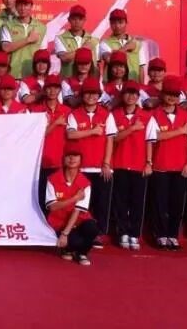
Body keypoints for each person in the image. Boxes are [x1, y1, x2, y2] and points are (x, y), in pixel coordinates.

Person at [66, 77, 117, 247]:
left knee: (102, 203)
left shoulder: (107, 115)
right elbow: (71, 134)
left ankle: (99, 233)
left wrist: (106, 163)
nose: (91, 97)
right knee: (82, 203)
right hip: (81, 168)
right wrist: (92, 131)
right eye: (87, 93)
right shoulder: (74, 114)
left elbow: (110, 139)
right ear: (82, 95)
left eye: (94, 94)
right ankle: (82, 231)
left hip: (101, 167)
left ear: (99, 96)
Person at [148, 76, 187, 250]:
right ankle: (160, 234)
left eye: (175, 95)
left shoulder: (186, 115)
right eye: (169, 94)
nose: (172, 98)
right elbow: (155, 137)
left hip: (180, 166)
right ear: (162, 95)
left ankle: (173, 235)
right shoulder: (155, 115)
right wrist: (179, 131)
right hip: (161, 165)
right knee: (160, 202)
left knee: (177, 203)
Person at [110, 81, 154, 251]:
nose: (131, 97)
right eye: (128, 93)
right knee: (120, 201)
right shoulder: (114, 115)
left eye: (134, 94)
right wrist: (132, 128)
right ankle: (122, 232)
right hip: (119, 163)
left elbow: (150, 141)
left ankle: (134, 233)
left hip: (139, 165)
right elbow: (113, 138)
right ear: (122, 96)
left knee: (137, 202)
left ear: (138, 97)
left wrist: (148, 162)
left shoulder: (147, 116)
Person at [45, 149, 99, 266]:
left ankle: (82, 253)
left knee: (92, 229)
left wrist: (65, 234)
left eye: (75, 156)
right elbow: (52, 207)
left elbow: (77, 210)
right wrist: (74, 198)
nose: (72, 159)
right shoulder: (53, 179)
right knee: (74, 241)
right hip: (59, 222)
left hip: (79, 220)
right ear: (63, 159)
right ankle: (67, 249)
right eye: (69, 156)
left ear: (80, 160)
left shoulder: (85, 183)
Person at [30, 75, 70, 209]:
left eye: (56, 88)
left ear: (60, 90)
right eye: (49, 88)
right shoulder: (36, 111)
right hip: (40, 161)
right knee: (40, 197)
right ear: (44, 90)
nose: (52, 91)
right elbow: (36, 136)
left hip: (59, 161)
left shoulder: (66, 111)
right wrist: (55, 123)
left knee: (57, 198)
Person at [0, 0, 46, 79]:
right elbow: (6, 48)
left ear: (31, 6)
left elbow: (43, 54)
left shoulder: (41, 27)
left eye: (26, 5)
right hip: (13, 74)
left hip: (33, 76)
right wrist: (28, 40)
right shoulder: (8, 25)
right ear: (16, 7)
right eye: (20, 5)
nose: (23, 8)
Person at [99, 9, 147, 82]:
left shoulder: (137, 43)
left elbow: (141, 68)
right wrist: (126, 47)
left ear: (126, 23)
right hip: (112, 86)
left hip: (133, 86)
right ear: (110, 24)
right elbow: (108, 59)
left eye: (120, 22)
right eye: (113, 23)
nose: (117, 26)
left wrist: (141, 87)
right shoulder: (104, 43)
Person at [54, 5, 98, 78]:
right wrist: (83, 49)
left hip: (88, 82)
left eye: (80, 19)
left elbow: (96, 65)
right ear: (69, 20)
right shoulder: (60, 38)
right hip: (67, 82)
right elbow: (64, 58)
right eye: (74, 19)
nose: (77, 22)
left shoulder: (93, 40)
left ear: (84, 20)